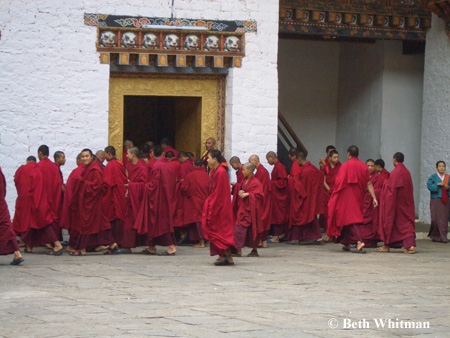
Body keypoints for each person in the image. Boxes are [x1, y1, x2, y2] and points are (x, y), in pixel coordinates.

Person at [327, 145, 378, 253]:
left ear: (348, 154)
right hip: (359, 197)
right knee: (347, 219)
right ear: (358, 155)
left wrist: (335, 194)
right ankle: (346, 243)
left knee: (352, 218)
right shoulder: (364, 167)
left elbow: (339, 182)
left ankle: (360, 241)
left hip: (347, 197)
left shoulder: (345, 166)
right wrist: (374, 198)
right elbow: (368, 183)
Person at [69, 149, 114, 256]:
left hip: (92, 202)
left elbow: (98, 186)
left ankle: (83, 249)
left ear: (92, 157)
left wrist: (82, 181)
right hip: (88, 202)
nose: (84, 158)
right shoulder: (87, 169)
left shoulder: (95, 170)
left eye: (86, 156)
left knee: (86, 224)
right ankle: (113, 244)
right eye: (83, 156)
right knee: (102, 224)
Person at [15, 154, 63, 255]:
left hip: (30, 201)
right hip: (39, 200)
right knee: (34, 224)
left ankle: (57, 244)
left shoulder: (22, 170)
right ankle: (29, 246)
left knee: (43, 223)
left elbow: (16, 181)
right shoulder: (37, 170)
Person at [137, 145, 177, 256]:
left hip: (158, 198)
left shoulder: (157, 166)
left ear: (152, 154)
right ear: (163, 154)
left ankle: (171, 247)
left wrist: (145, 187)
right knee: (158, 222)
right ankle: (151, 247)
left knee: (160, 222)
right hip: (168, 196)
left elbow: (153, 184)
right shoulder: (169, 165)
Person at [377, 152, 416, 254]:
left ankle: (387, 245)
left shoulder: (395, 173)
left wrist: (385, 185)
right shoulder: (407, 172)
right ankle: (410, 245)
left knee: (391, 223)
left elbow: (391, 191)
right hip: (407, 203)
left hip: (396, 204)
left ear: (394, 160)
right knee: (407, 224)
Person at [202, 149, 236, 266]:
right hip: (217, 204)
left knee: (219, 231)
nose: (207, 160)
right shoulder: (215, 171)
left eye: (209, 158)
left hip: (220, 206)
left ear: (215, 159)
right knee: (217, 231)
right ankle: (225, 256)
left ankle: (227, 254)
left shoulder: (221, 172)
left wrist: (211, 204)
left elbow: (219, 193)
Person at [287, 152, 324, 245]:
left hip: (305, 198)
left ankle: (295, 238)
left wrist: (292, 180)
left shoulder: (306, 171)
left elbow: (301, 188)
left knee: (299, 215)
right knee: (312, 216)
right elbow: (320, 175)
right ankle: (318, 237)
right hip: (312, 197)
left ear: (299, 159)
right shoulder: (312, 168)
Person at [232, 162, 264, 257]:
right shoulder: (244, 180)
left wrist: (249, 194)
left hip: (252, 210)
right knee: (238, 229)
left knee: (252, 229)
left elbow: (259, 195)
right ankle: (238, 250)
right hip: (244, 209)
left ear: (250, 170)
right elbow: (243, 189)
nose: (242, 171)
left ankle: (254, 250)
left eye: (244, 170)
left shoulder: (256, 182)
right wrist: (241, 191)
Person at [102, 146, 128, 254]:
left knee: (114, 219)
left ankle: (115, 243)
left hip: (113, 196)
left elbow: (107, 182)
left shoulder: (110, 165)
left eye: (105, 154)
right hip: (121, 194)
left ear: (108, 154)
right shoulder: (120, 164)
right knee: (119, 218)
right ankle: (116, 243)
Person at [179, 159, 210, 248]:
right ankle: (201, 240)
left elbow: (185, 189)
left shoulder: (190, 175)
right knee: (202, 220)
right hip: (205, 200)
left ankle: (201, 242)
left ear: (194, 165)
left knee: (198, 220)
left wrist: (180, 183)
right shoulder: (206, 175)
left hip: (195, 201)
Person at [37, 145, 64, 243]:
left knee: (44, 219)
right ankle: (53, 240)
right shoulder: (54, 167)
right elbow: (59, 184)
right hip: (54, 198)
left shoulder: (38, 166)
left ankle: (51, 242)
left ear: (40, 153)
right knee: (54, 219)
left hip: (43, 198)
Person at [123, 147, 149, 252]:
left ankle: (128, 246)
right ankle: (127, 246)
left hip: (139, 199)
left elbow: (144, 185)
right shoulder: (130, 165)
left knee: (133, 221)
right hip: (131, 197)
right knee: (129, 220)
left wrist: (131, 186)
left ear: (133, 154)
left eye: (128, 153)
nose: (126, 155)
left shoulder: (142, 167)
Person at [0, 166, 24, 265]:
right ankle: (17, 252)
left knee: (6, 227)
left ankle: (17, 253)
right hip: (1, 204)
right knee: (6, 227)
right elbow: (3, 188)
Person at [60, 153, 83, 253]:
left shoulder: (76, 171)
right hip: (79, 204)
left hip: (75, 203)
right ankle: (74, 245)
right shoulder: (81, 171)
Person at [266, 151, 289, 243]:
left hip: (279, 196)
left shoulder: (280, 167)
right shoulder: (277, 166)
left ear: (272, 157)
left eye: (268, 159)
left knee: (278, 215)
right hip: (276, 195)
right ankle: (275, 235)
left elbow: (283, 183)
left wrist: (271, 183)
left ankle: (276, 237)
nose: (268, 162)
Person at [249, 155, 271, 247]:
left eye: (250, 162)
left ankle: (261, 241)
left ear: (255, 161)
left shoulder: (261, 172)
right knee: (263, 219)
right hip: (265, 197)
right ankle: (263, 241)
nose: (250, 164)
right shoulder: (261, 171)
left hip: (262, 199)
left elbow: (258, 187)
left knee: (261, 218)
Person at [360, 159, 383, 248]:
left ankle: (373, 241)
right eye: (368, 166)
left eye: (372, 166)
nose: (370, 168)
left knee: (373, 222)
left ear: (375, 167)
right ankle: (362, 240)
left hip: (373, 205)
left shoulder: (379, 178)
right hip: (363, 203)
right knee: (362, 221)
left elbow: (383, 190)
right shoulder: (362, 176)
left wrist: (375, 193)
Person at [319, 150, 341, 240]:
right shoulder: (325, 168)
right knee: (327, 214)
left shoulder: (340, 167)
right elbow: (323, 181)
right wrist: (330, 190)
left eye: (337, 157)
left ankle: (337, 233)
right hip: (327, 193)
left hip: (337, 192)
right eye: (334, 157)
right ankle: (329, 234)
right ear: (329, 158)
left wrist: (335, 190)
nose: (336, 159)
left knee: (337, 213)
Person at [426, 161, 449, 243]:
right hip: (435, 199)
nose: (441, 168)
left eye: (443, 166)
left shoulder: (448, 177)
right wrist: (437, 184)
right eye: (440, 166)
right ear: (437, 168)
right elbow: (429, 186)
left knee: (443, 218)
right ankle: (435, 235)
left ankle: (443, 236)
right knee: (435, 218)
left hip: (445, 200)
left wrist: (447, 188)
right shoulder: (433, 177)